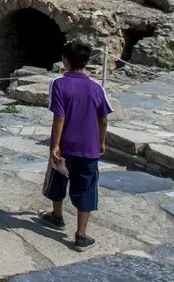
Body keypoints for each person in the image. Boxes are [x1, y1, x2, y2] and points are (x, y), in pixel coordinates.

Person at [39, 42, 112, 251]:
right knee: (86, 187)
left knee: (58, 179)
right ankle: (81, 235)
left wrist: (55, 145)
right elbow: (103, 119)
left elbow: (59, 117)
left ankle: (57, 216)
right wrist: (102, 141)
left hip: (65, 145)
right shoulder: (97, 88)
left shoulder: (59, 84)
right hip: (89, 146)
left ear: (65, 60)